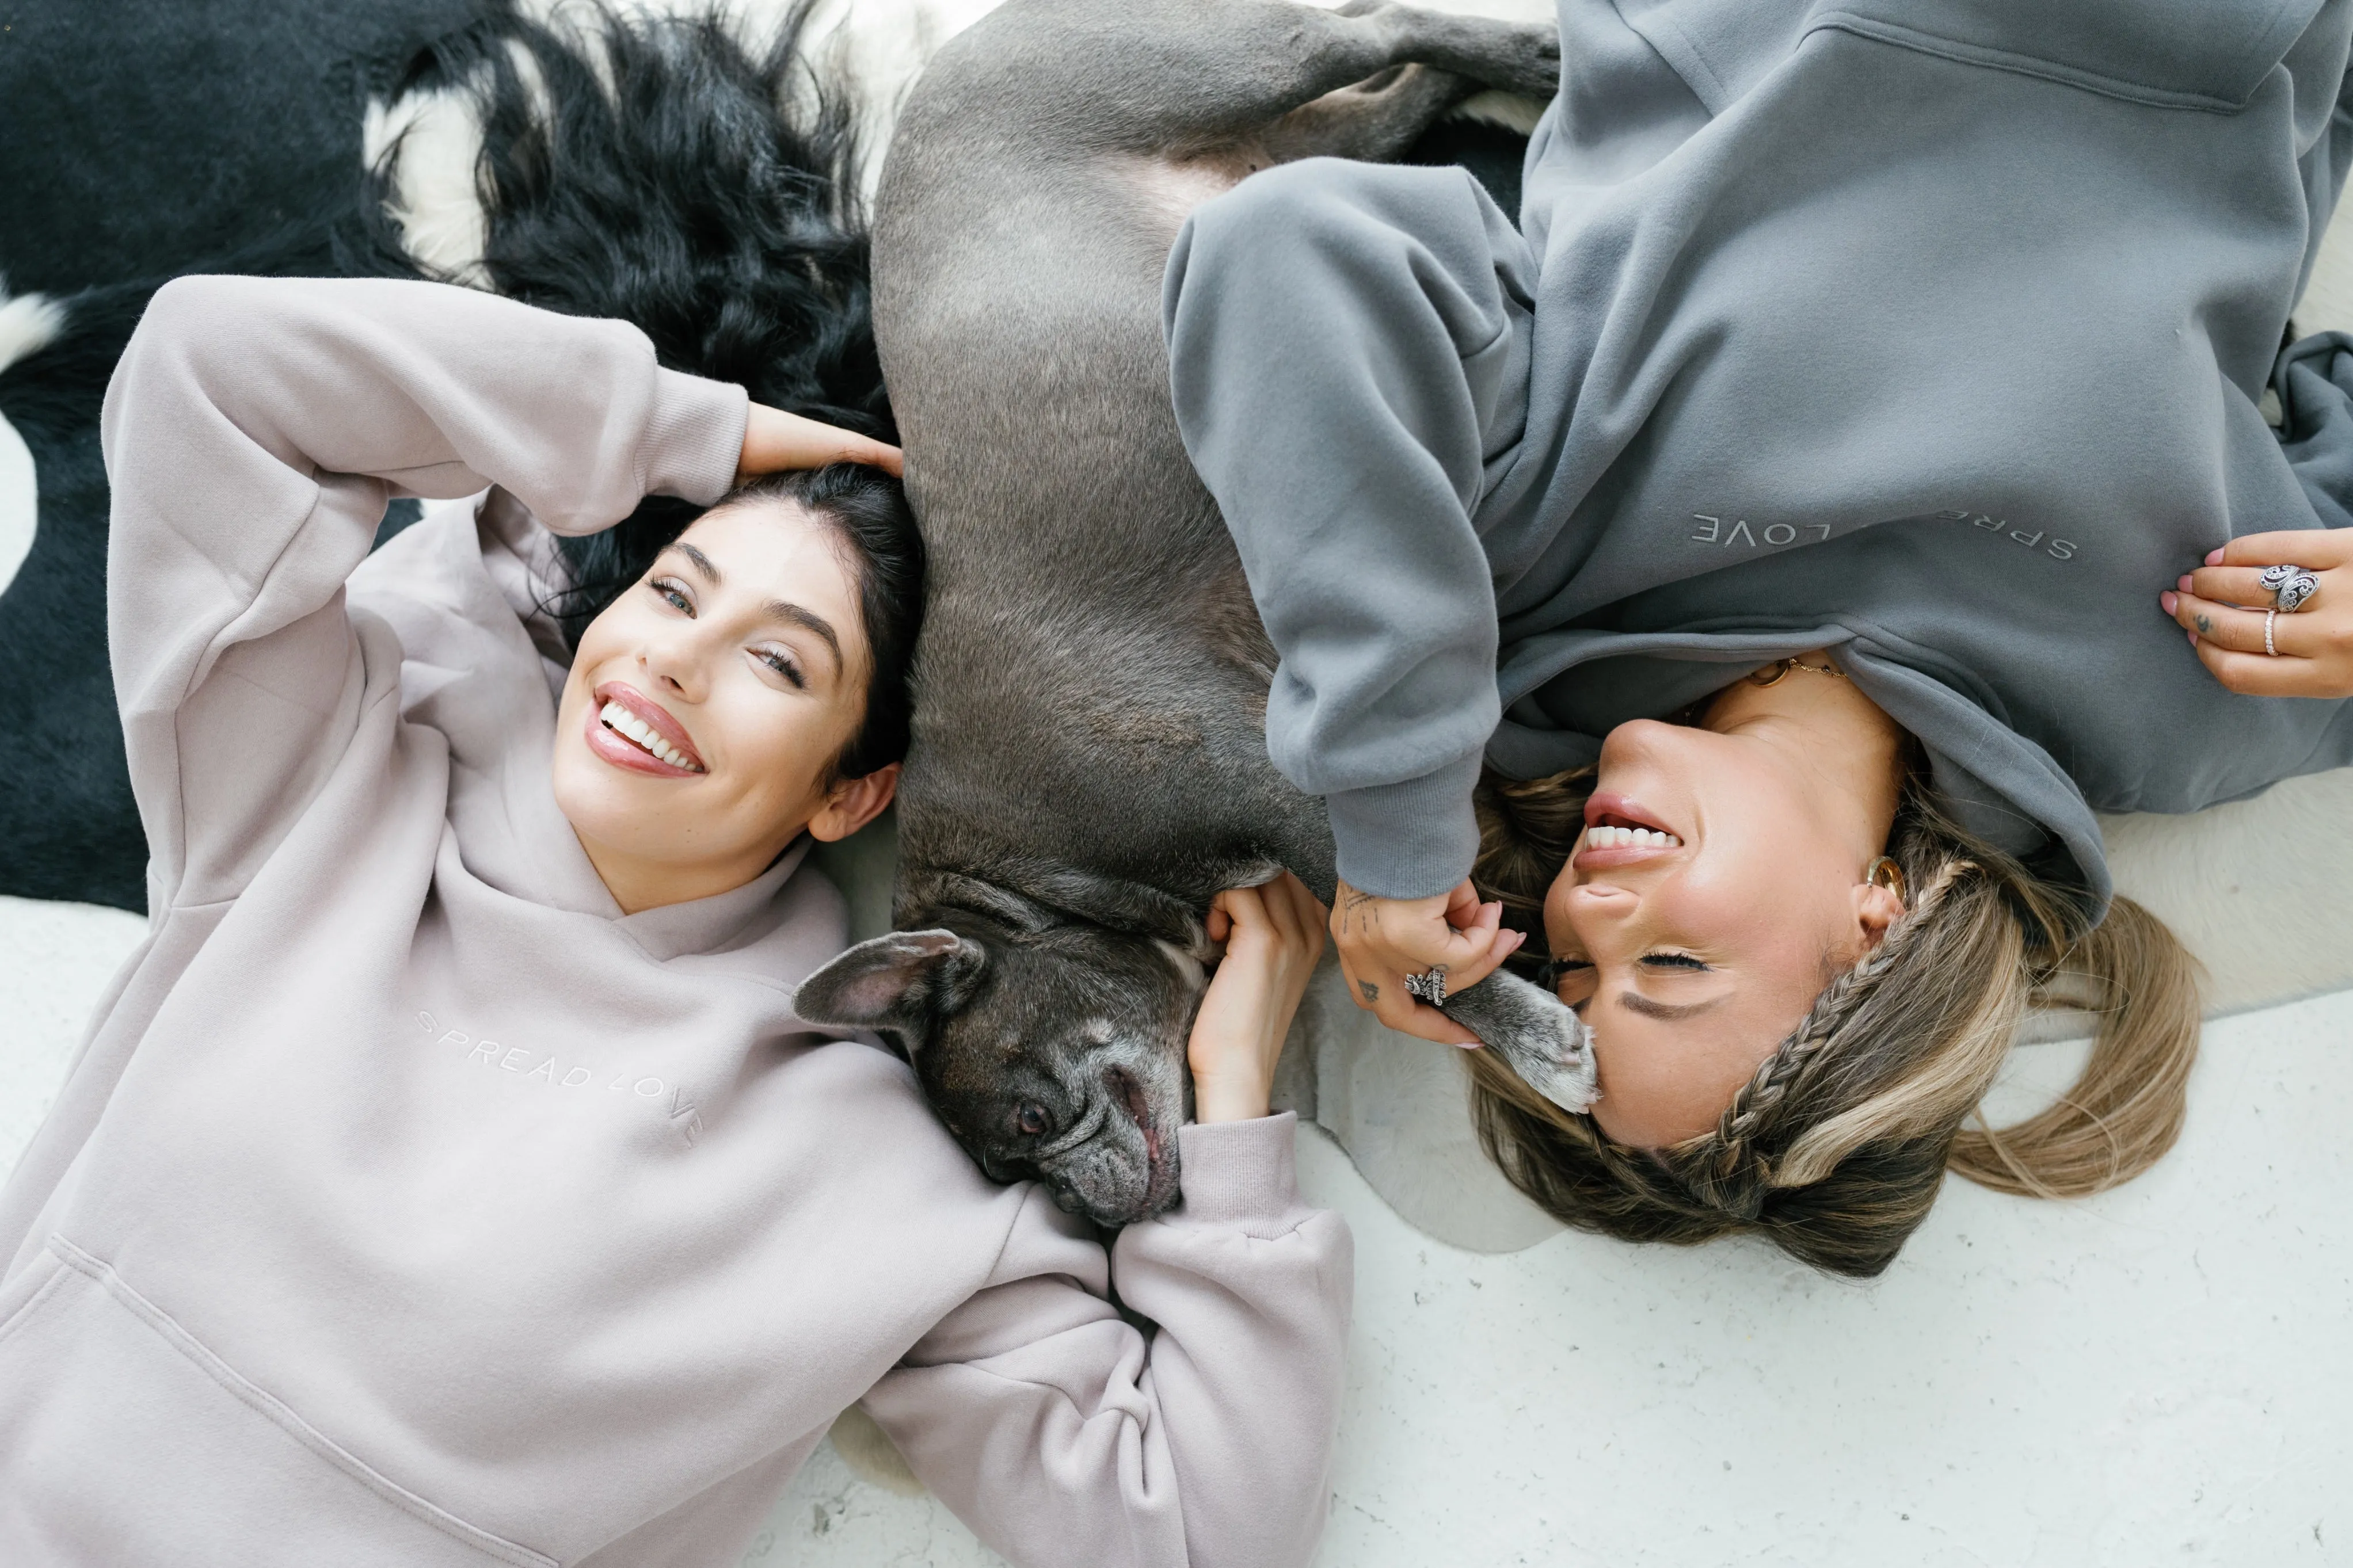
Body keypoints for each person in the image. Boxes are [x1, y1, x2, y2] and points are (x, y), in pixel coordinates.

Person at [0, 274, 1347, 1566]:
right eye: (674, 591)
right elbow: (208, 366)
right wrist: (688, 433)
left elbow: (1193, 1534)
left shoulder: (881, 1166)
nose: (675, 658)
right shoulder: (320, 795)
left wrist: (1226, 1112)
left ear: (851, 790)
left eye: (777, 660)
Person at [1160, 0, 2353, 1275]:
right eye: (1667, 964)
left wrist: (1392, 821)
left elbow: (1283, 252)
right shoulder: (2184, 703)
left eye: (1565, 967)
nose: (1595, 913)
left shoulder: (1521, 597)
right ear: (1875, 925)